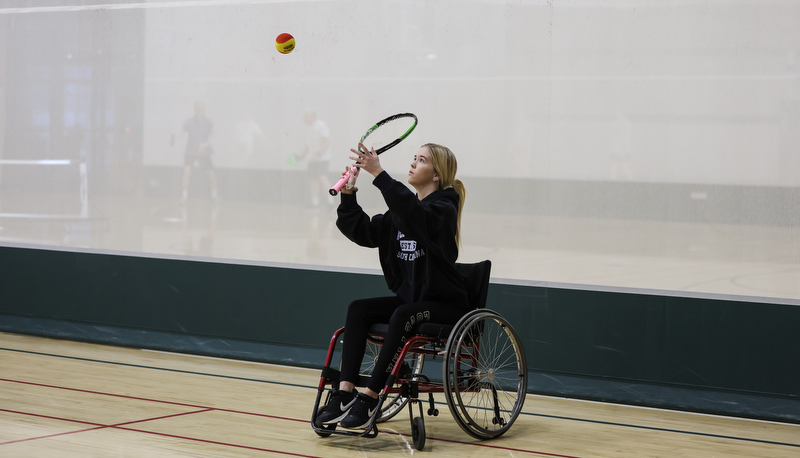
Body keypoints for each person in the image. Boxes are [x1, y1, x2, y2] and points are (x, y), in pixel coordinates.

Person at [316, 142, 469, 429]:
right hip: (414, 303)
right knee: (358, 309)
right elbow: (364, 231)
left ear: (436, 175)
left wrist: (379, 174)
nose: (413, 163)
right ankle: (344, 393)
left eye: (421, 160)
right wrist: (348, 196)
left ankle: (370, 398)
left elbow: (415, 215)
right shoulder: (403, 212)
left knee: (402, 314)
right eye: (414, 158)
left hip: (446, 306)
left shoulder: (443, 209)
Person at [178, 101, 219, 202]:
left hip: (204, 152)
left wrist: (204, 145)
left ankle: (214, 195)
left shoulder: (209, 122)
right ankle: (184, 196)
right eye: (196, 109)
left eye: (200, 109)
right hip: (190, 151)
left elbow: (210, 138)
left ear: (204, 110)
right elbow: (182, 133)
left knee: (211, 173)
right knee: (186, 171)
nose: (198, 111)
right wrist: (174, 139)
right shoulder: (189, 122)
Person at [298, 110, 331, 208]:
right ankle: (315, 204)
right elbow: (308, 146)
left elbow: (326, 142)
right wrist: (301, 156)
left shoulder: (321, 125)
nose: (304, 118)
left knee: (323, 178)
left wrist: (318, 154)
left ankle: (331, 202)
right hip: (311, 160)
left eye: (306, 116)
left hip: (322, 159)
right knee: (313, 180)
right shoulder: (308, 128)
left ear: (313, 116)